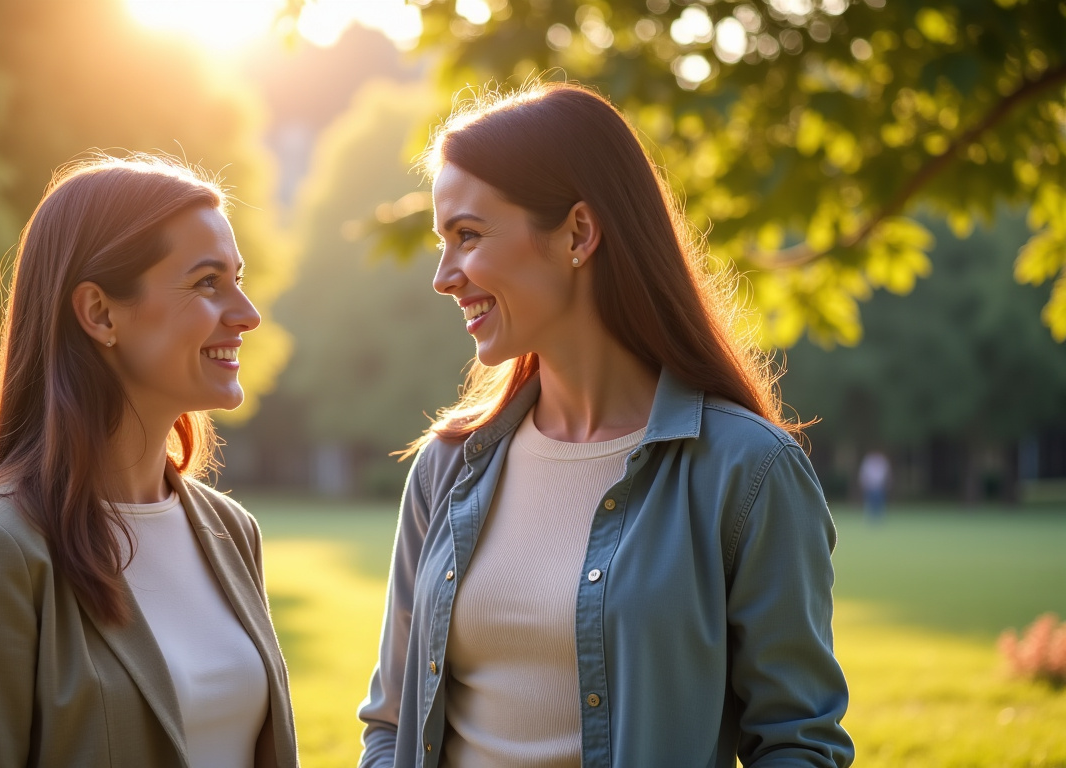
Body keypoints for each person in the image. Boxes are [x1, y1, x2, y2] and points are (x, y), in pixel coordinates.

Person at [357, 83, 853, 768]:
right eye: (443, 242)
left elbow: (799, 744)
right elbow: (390, 727)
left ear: (579, 234)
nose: (444, 276)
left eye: (467, 235)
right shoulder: (446, 467)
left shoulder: (747, 472)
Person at [0, 156, 298, 768]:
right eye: (206, 282)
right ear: (100, 314)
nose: (247, 314)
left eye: (238, 280)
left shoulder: (231, 532)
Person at [859, 450, 891, 522]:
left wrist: (887, 483)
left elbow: (886, 473)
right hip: (870, 486)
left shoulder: (882, 460)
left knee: (880, 503)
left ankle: (880, 518)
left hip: (880, 486)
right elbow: (864, 473)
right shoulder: (868, 461)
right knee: (870, 503)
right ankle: (870, 518)